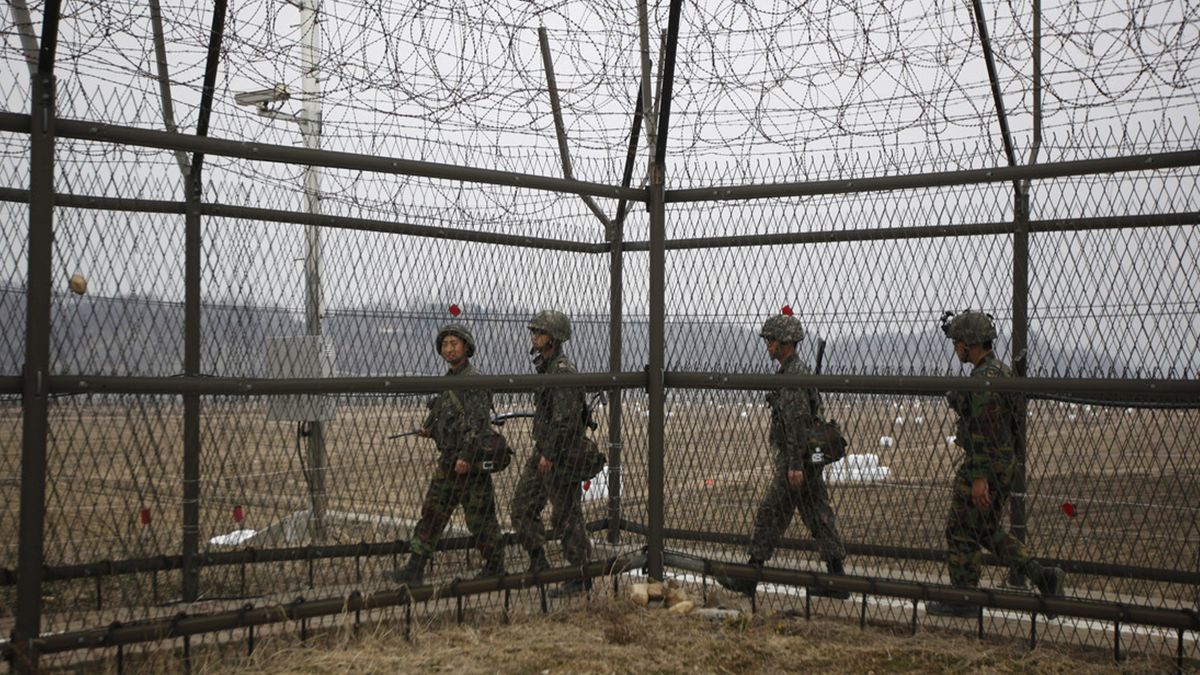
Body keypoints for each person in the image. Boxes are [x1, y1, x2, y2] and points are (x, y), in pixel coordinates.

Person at [926, 311, 1065, 617]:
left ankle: (964, 599)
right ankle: (1043, 575)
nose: (955, 349)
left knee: (960, 530)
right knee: (986, 529)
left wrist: (979, 478)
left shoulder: (983, 381)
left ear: (969, 344)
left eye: (957, 343)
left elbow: (982, 433)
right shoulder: (1000, 373)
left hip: (984, 466)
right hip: (1003, 465)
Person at [716, 313, 850, 599]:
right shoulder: (795, 372)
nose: (768, 345)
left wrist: (793, 466)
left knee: (771, 512)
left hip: (797, 461)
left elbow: (796, 426)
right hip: (806, 460)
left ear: (786, 343)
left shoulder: (792, 378)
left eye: (772, 340)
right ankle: (837, 578)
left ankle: (750, 577)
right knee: (818, 514)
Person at [385, 323, 505, 586]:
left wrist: (465, 456)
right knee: (433, 513)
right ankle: (414, 569)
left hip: (468, 463)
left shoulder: (473, 380)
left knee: (480, 518)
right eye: (445, 344)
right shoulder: (449, 380)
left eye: (454, 343)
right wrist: (431, 429)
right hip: (450, 460)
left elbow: (477, 424)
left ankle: (496, 566)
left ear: (466, 347)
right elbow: (445, 415)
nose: (449, 349)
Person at [510, 309, 592, 597]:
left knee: (566, 515)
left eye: (541, 332)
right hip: (544, 450)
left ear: (554, 338)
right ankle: (539, 563)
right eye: (534, 332)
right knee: (521, 507)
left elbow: (566, 420)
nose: (535, 336)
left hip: (559, 452)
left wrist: (550, 453)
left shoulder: (561, 371)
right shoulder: (546, 367)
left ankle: (580, 574)